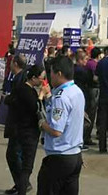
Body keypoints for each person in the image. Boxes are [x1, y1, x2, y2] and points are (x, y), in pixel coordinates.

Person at [37, 56, 85, 195]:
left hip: (60, 156)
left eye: (51, 72)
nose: (50, 76)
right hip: (75, 154)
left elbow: (56, 130)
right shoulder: (76, 91)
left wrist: (41, 123)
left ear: (59, 74)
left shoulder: (61, 97)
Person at [5, 64, 49, 195]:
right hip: (28, 132)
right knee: (26, 166)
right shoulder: (28, 92)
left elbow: (9, 100)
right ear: (34, 78)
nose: (43, 81)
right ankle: (22, 187)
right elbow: (36, 109)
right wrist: (41, 95)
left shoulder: (21, 89)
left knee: (14, 157)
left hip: (18, 130)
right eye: (41, 78)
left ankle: (20, 185)